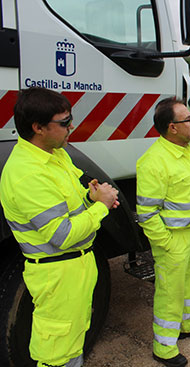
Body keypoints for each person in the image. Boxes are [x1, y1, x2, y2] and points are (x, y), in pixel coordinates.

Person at [0, 87, 119, 367]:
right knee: (56, 357)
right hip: (57, 274)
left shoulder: (56, 154)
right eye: (64, 122)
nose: (72, 127)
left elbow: (74, 194)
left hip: (75, 269)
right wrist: (101, 206)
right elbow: (62, 235)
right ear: (38, 127)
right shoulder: (27, 174)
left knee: (71, 344)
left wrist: (91, 195)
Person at [136, 98, 190, 367]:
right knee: (170, 292)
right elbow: (147, 213)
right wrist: (165, 242)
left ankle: (189, 325)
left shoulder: (187, 150)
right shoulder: (154, 161)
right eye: (187, 120)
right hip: (173, 239)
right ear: (171, 128)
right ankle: (164, 346)